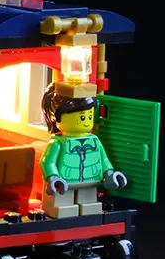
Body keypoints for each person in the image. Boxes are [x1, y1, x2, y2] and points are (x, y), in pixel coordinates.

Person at [40, 83, 127, 217]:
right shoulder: (57, 143)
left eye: (89, 116)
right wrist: (53, 177)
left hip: (90, 182)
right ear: (59, 116)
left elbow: (103, 159)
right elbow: (47, 161)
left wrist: (109, 173)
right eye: (82, 117)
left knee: (89, 204)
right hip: (64, 185)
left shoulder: (94, 140)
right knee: (63, 206)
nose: (86, 121)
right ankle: (62, 211)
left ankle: (89, 210)